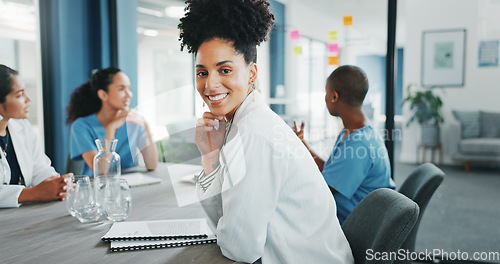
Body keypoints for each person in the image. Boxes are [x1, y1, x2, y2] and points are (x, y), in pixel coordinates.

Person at [178, 1, 354, 263]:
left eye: (225, 70)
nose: (211, 84)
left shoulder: (253, 133)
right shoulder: (245, 122)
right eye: (202, 72)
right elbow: (224, 225)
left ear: (252, 74)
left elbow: (240, 248)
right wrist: (210, 159)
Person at [293, 65, 395, 225]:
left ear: (334, 96)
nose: (325, 98)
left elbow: (321, 189)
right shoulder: (354, 132)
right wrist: (303, 144)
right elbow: (331, 172)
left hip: (355, 227)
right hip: (358, 217)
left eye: (326, 92)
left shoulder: (358, 144)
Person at [0, 64, 71, 208]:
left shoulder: (22, 127)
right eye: (19, 95)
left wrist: (57, 184)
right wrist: (34, 193)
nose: (28, 99)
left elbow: (40, 168)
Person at [67, 67, 157, 177]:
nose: (129, 95)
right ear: (103, 95)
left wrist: (145, 126)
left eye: (129, 89)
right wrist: (111, 129)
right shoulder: (81, 126)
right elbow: (101, 171)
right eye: (121, 89)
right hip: (97, 188)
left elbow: (152, 165)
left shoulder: (132, 122)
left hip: (130, 185)